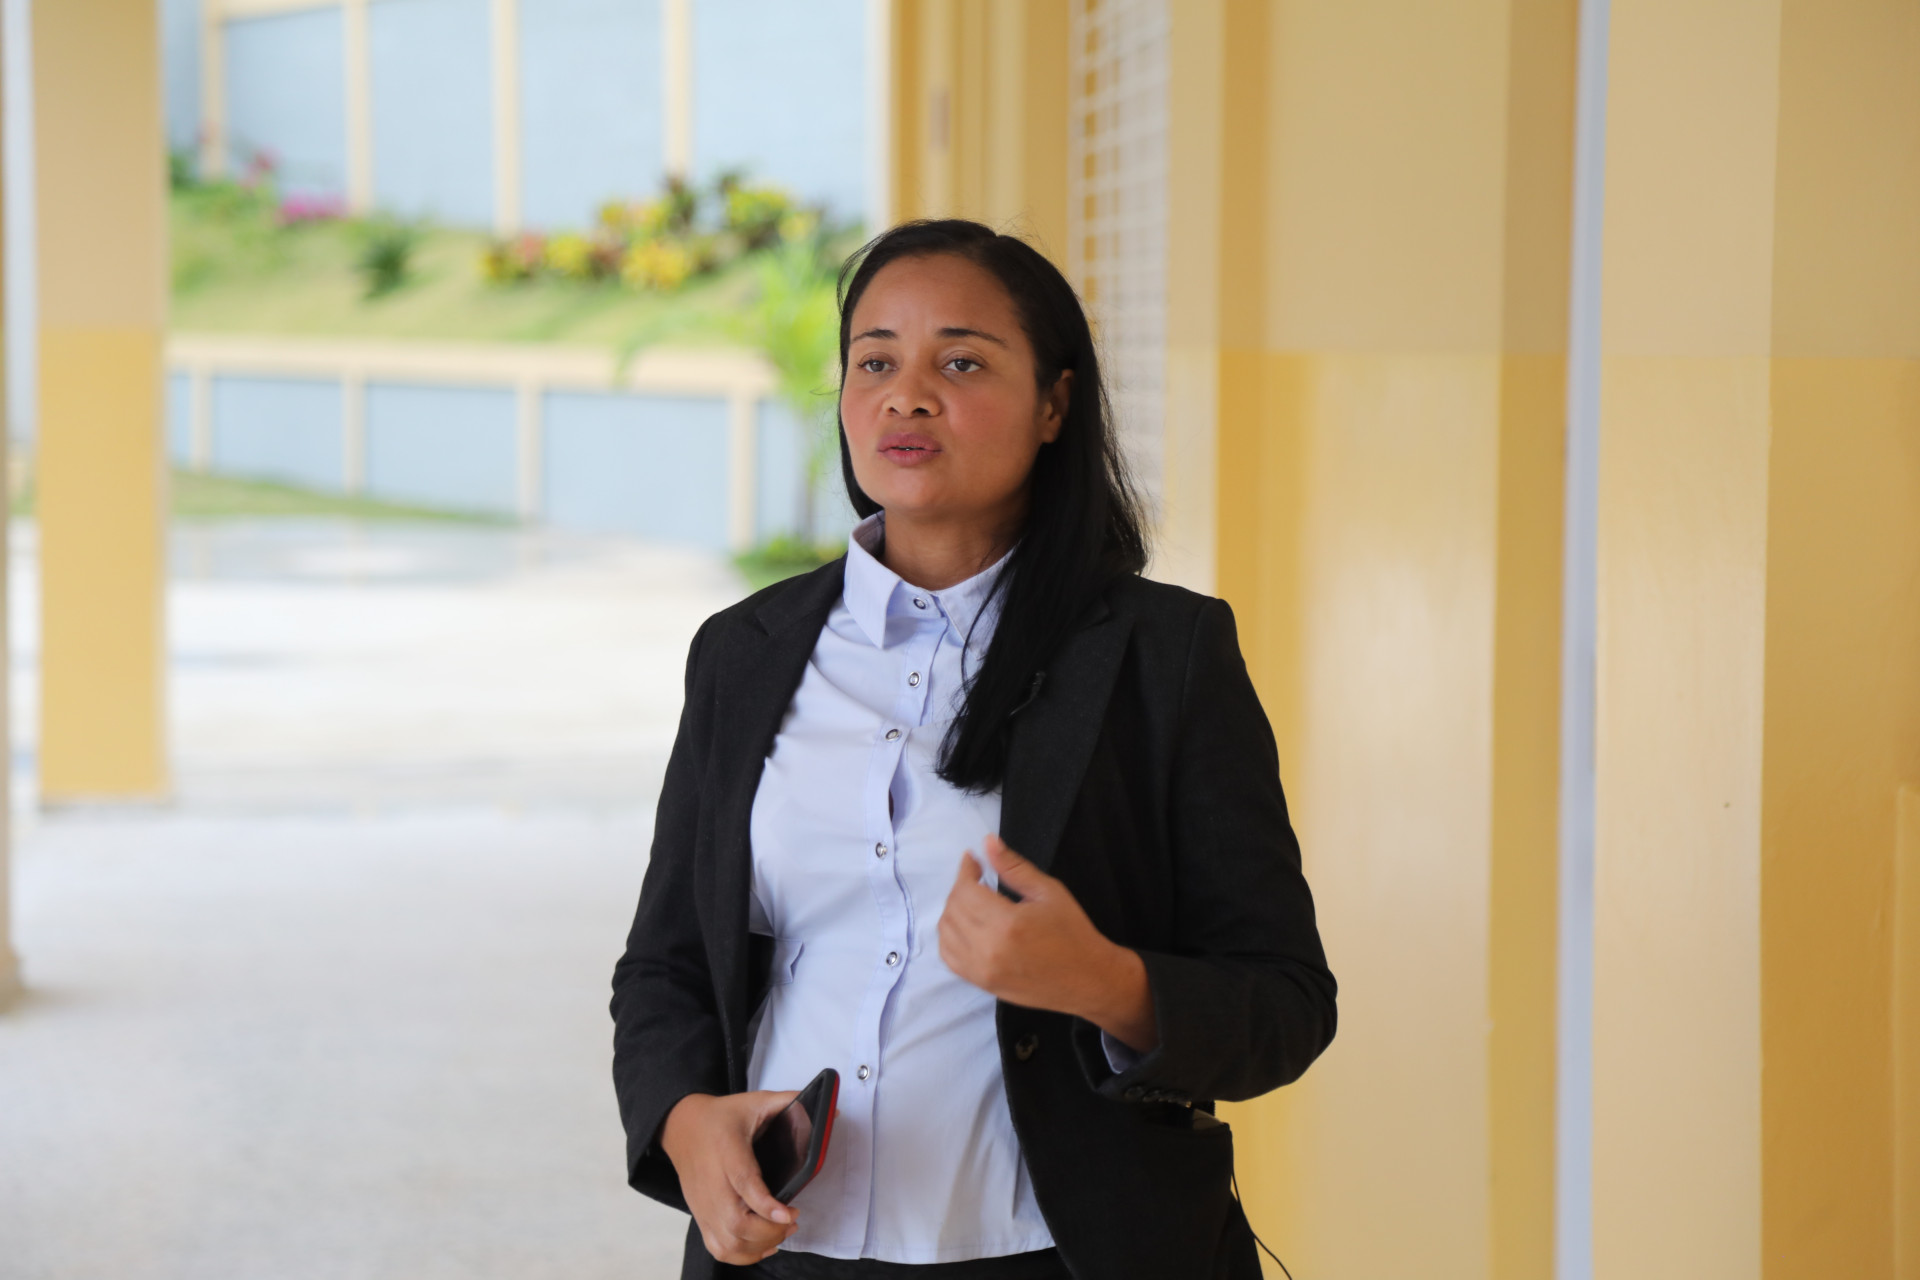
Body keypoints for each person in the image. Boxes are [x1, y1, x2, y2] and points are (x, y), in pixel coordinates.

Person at [610, 219, 1336, 1280]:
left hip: (1064, 1253)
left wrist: (1105, 982)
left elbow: (1284, 1003)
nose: (906, 396)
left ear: (1054, 405)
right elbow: (667, 962)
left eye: (960, 362)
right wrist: (682, 1119)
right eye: (875, 361)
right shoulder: (743, 651)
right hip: (786, 1249)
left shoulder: (1163, 655)